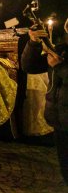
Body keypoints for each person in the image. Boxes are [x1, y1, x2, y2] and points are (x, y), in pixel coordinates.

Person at [21, 19, 68, 184]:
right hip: (60, 121)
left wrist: (59, 68)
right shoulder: (62, 49)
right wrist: (34, 42)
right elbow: (29, 66)